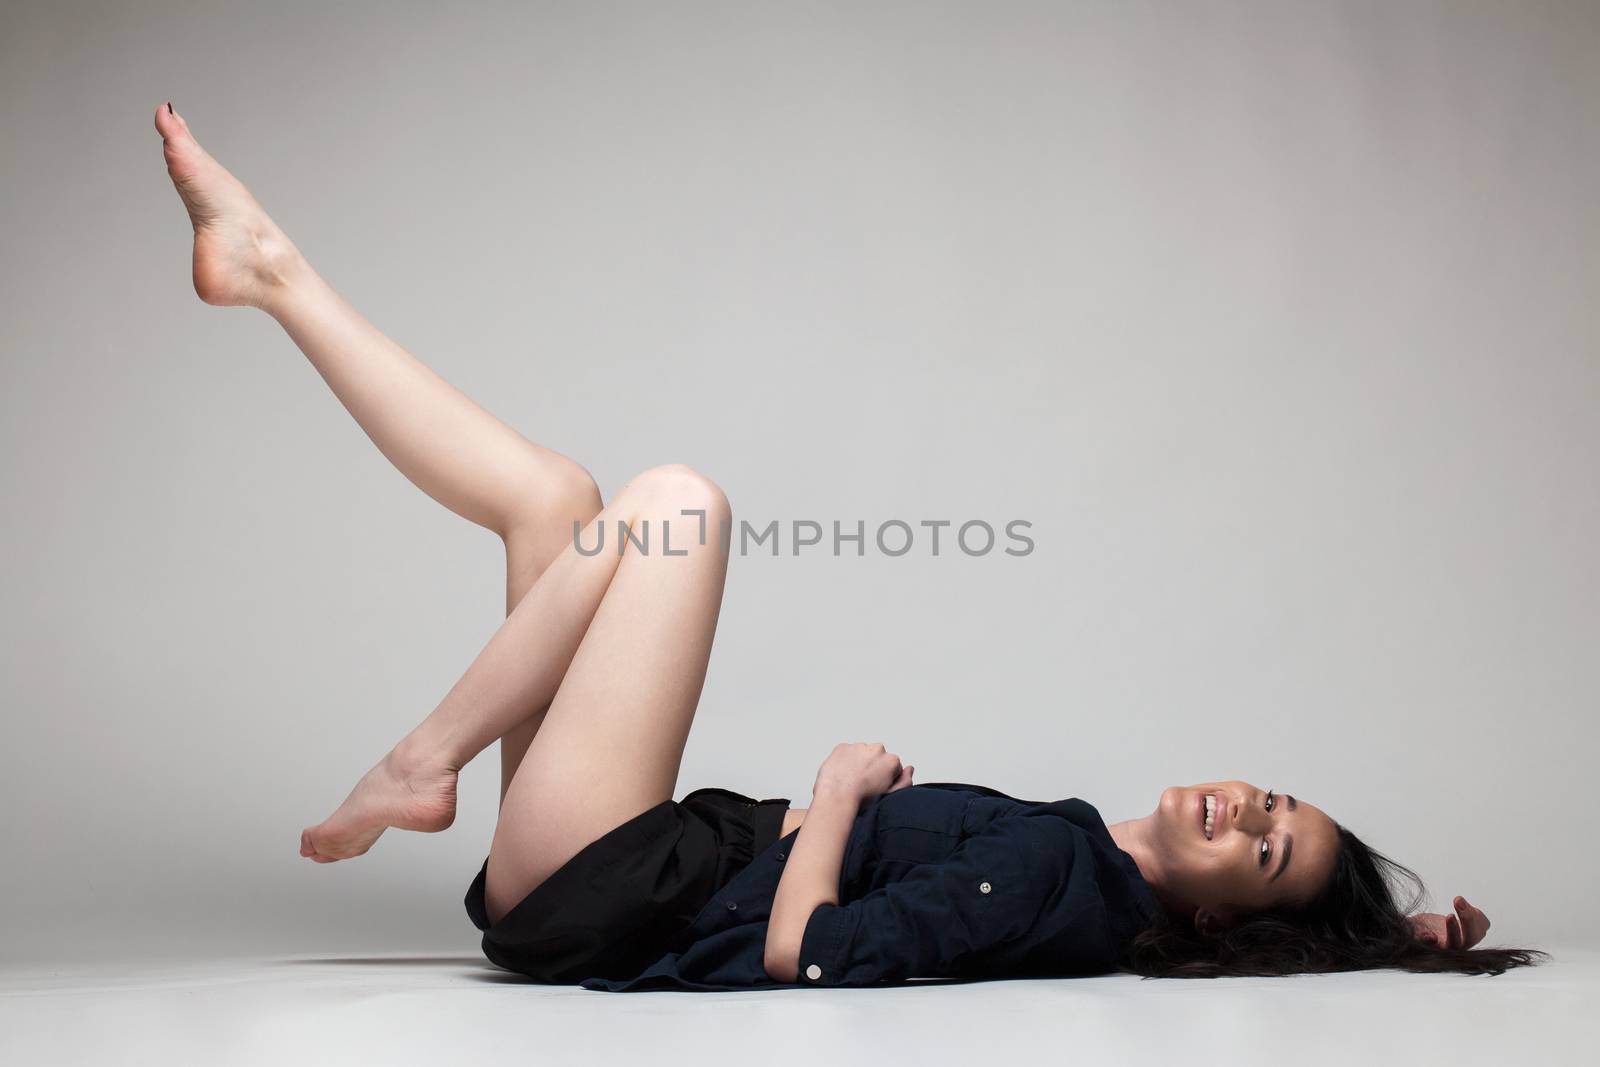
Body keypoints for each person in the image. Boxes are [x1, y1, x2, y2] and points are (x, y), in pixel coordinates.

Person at [152, 103, 1546, 991]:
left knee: (677, 500)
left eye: (1258, 855)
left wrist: (833, 786)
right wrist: (1399, 939)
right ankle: (273, 277)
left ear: (1215, 925)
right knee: (559, 502)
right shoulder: (1083, 855)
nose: (1245, 813)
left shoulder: (1061, 887)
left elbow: (809, 957)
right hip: (613, 869)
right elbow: (1308, 928)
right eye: (1275, 802)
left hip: (621, 892)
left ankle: (421, 762)